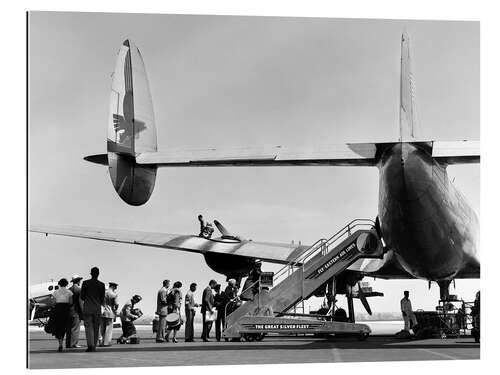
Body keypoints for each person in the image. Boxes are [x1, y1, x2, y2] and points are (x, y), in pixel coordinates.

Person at [80, 267, 105, 352]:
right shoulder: (102, 285)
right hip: (97, 309)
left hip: (87, 308)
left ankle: (90, 345)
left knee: (88, 328)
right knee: (96, 328)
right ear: (98, 274)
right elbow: (102, 299)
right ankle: (94, 346)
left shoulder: (85, 283)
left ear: (90, 273)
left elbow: (82, 297)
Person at [49, 278, 73, 352]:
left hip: (58, 309)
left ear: (59, 284)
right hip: (66, 309)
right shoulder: (69, 292)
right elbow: (71, 302)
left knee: (58, 326)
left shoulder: (55, 292)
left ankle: (60, 343)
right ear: (66, 284)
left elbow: (53, 303)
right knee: (65, 326)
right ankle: (62, 340)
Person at [65, 275, 83, 349]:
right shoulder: (79, 290)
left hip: (69, 311)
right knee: (75, 328)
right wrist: (82, 312)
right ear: (78, 281)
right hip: (76, 311)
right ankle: (74, 344)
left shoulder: (69, 290)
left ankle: (68, 344)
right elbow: (80, 302)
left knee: (69, 328)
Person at [99, 282, 118, 347]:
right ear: (113, 287)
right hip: (110, 312)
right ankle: (106, 342)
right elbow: (116, 304)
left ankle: (101, 341)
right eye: (115, 287)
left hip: (102, 312)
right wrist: (115, 310)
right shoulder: (113, 294)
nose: (116, 288)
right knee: (109, 328)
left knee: (102, 328)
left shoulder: (103, 293)